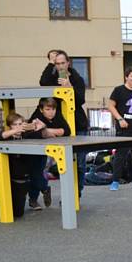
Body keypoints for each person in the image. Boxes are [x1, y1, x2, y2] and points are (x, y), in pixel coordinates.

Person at [39, 49, 89, 198]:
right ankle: (67, 194)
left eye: (62, 63)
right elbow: (42, 83)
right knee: (61, 163)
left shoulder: (76, 78)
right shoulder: (53, 77)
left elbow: (80, 100)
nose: (60, 66)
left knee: (79, 163)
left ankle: (76, 194)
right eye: (57, 63)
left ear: (68, 63)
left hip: (78, 125)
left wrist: (68, 87)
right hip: (60, 125)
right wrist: (50, 63)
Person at [26, 98, 70, 210]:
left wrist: (46, 130)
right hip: (33, 149)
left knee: (39, 172)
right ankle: (40, 193)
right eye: (48, 109)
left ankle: (35, 198)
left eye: (53, 109)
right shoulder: (36, 117)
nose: (51, 112)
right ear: (41, 110)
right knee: (34, 173)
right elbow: (34, 133)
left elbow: (66, 130)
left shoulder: (58, 115)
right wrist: (53, 132)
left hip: (46, 149)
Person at [0, 113, 37, 219]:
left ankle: (10, 204)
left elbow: (40, 131)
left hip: (20, 181)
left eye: (21, 124)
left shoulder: (27, 136)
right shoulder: (6, 137)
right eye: (15, 124)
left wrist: (34, 125)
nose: (18, 127)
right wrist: (15, 131)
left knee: (17, 213)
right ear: (10, 126)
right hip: (4, 178)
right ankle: (4, 204)